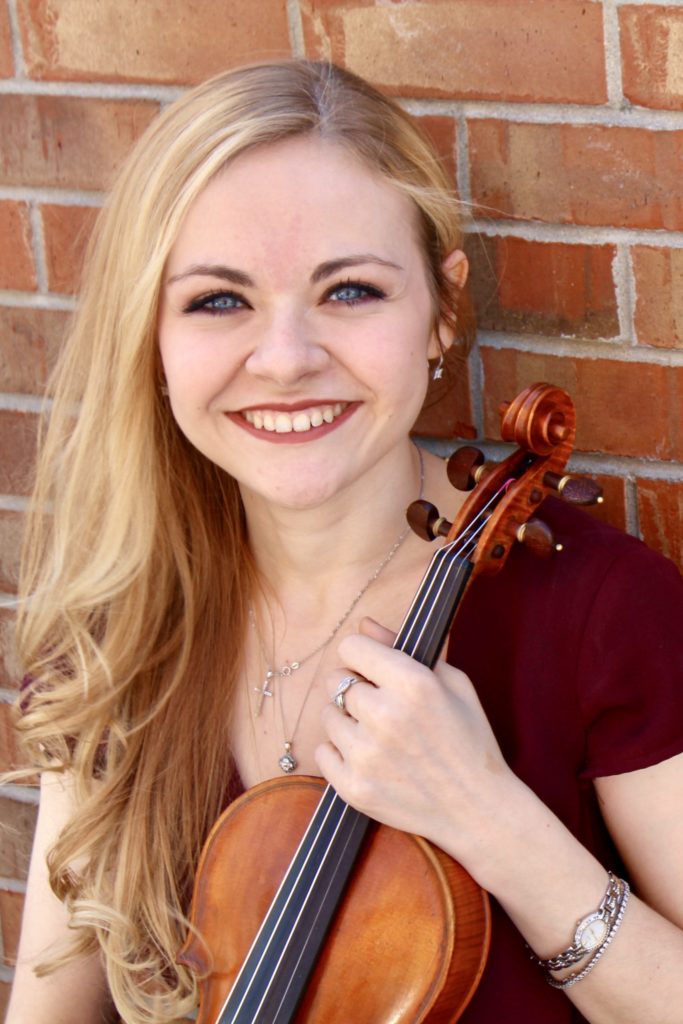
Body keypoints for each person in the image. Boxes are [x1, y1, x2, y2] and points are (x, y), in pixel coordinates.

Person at [6, 58, 683, 1024]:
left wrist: (493, 823)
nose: (284, 360)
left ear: (441, 312)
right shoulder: (122, 637)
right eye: (218, 300)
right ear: (149, 337)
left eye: (351, 292)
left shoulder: (600, 613)